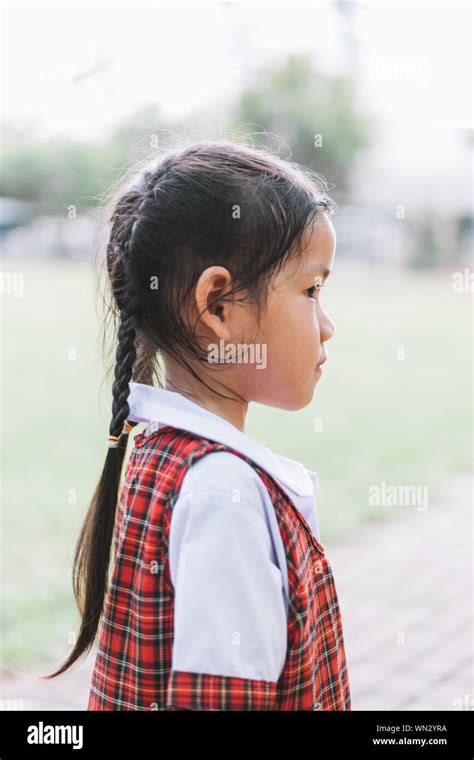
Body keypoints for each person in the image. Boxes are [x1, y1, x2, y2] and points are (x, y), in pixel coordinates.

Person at [42, 139, 351, 710]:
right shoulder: (222, 493)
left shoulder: (163, 453)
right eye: (311, 290)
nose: (327, 325)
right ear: (218, 306)